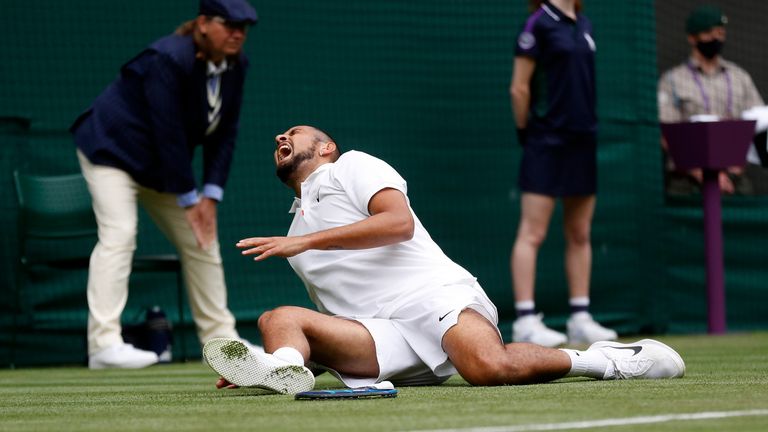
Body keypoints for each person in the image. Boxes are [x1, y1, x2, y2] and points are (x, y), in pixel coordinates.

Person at [201, 125, 685, 394]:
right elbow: (342, 311)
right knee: (278, 317)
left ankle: (605, 361)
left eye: (293, 133)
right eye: (276, 141)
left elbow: (398, 224)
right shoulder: (293, 233)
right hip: (382, 334)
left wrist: (306, 243)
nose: (280, 139)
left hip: (435, 297)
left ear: (326, 147)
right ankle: (281, 369)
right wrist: (306, 353)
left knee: (486, 368)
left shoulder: (353, 165)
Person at [70, 0, 259, 369]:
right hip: (112, 152)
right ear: (203, 23)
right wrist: (192, 200)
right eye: (230, 23)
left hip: (158, 167)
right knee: (120, 234)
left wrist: (211, 196)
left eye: (245, 26)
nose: (238, 33)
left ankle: (222, 343)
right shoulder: (168, 58)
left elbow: (225, 135)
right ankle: (103, 345)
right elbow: (167, 132)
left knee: (202, 238)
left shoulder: (238, 65)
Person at [507, 0, 616, 348]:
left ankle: (580, 318)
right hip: (546, 142)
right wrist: (529, 133)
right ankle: (525, 321)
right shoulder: (537, 24)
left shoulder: (584, 23)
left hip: (583, 142)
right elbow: (519, 88)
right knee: (532, 233)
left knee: (580, 232)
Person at [658, 4, 768, 195]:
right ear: (692, 38)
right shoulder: (672, 80)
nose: (716, 37)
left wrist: (735, 168)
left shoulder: (739, 77)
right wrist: (701, 173)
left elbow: (758, 125)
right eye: (709, 32)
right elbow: (666, 134)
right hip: (688, 180)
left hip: (735, 178)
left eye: (720, 32)